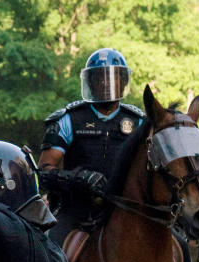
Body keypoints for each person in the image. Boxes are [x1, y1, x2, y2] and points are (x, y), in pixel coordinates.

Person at [38, 48, 145, 246]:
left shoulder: (138, 122)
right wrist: (79, 179)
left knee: (177, 245)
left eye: (113, 78)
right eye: (99, 78)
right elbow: (44, 172)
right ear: (90, 82)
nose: (106, 83)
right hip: (76, 210)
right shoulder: (69, 119)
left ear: (122, 82)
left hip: (125, 209)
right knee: (51, 253)